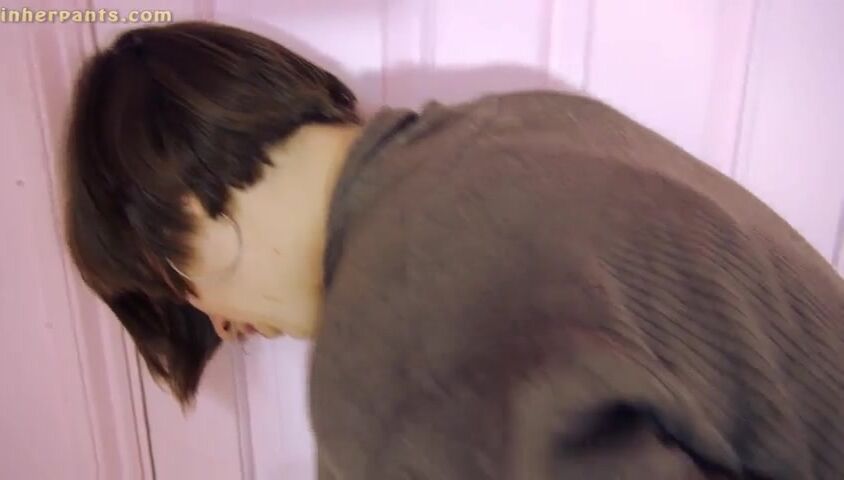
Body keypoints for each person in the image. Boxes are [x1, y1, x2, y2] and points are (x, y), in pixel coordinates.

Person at [64, 21, 844, 479]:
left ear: (185, 204)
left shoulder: (393, 347)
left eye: (178, 290)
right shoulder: (524, 121)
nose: (222, 327)